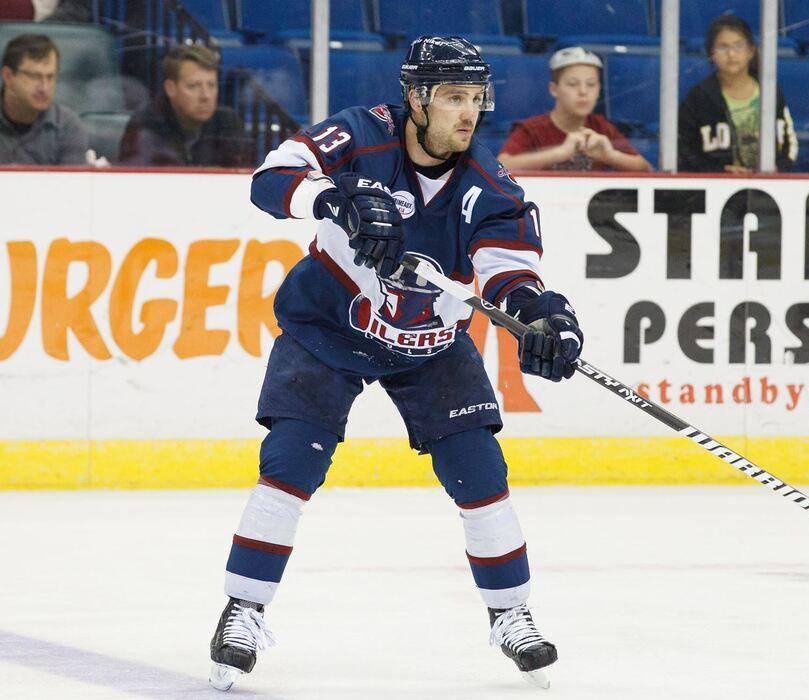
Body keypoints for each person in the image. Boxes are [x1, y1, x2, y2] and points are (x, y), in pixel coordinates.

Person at [206, 35, 582, 692]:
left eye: (476, 99)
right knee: (293, 459)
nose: (469, 114)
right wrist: (332, 199)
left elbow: (508, 275)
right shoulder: (362, 135)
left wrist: (542, 318)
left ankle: (510, 613)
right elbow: (271, 179)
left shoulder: (490, 187)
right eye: (454, 98)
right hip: (328, 324)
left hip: (428, 346)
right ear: (416, 98)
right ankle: (243, 610)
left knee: (480, 472)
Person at [498, 46, 651, 172]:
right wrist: (560, 153)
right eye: (572, 84)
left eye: (591, 84)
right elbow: (500, 168)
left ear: (599, 90)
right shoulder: (532, 130)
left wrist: (610, 156)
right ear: (554, 89)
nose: (583, 92)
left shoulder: (602, 128)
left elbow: (647, 170)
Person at [678, 13, 797, 172]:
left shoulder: (770, 92)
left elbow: (789, 144)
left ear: (751, 51)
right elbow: (683, 150)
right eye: (723, 47)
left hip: (769, 189)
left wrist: (777, 170)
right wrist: (719, 171)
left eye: (738, 46)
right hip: (717, 190)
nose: (731, 54)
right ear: (711, 53)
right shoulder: (698, 98)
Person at [118, 44, 251, 167]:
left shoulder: (227, 122)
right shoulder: (145, 123)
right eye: (193, 86)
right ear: (171, 88)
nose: (206, 96)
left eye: (212, 85)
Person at [0, 33, 88, 165]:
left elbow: (71, 185)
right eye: (34, 76)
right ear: (8, 76)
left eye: (50, 77)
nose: (44, 88)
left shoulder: (67, 126)